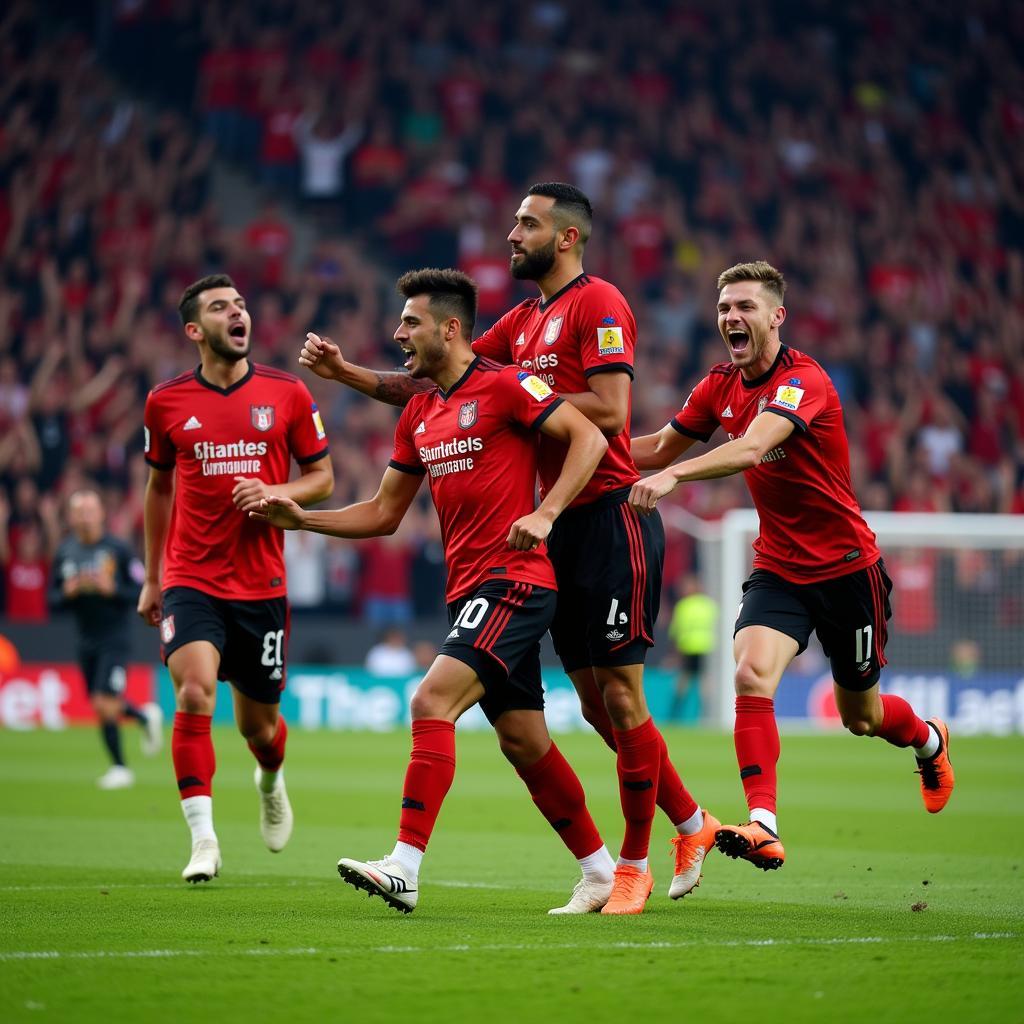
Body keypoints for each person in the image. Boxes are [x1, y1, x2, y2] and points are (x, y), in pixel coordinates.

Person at [299, 184, 717, 914]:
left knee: (618, 697)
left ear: (566, 238)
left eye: (526, 223)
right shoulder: (517, 325)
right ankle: (685, 825)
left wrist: (524, 405)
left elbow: (611, 415)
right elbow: (445, 381)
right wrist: (345, 377)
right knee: (560, 721)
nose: (510, 233)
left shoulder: (597, 304)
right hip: (544, 533)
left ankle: (632, 864)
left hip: (602, 514)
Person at [255, 267, 613, 914]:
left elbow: (589, 435)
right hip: (468, 589)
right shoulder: (420, 410)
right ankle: (599, 871)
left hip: (517, 581)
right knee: (524, 741)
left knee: (430, 701)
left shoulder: (508, 384)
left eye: (410, 322)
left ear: (450, 328)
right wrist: (301, 517)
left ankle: (404, 866)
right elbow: (383, 513)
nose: (399, 333)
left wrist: (547, 512)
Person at [629, 260, 955, 871]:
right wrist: (581, 441)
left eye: (746, 306)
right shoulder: (716, 385)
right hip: (779, 565)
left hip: (847, 569)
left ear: (777, 316)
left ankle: (929, 741)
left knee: (861, 717)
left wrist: (671, 476)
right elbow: (656, 446)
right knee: (751, 674)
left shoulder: (804, 380)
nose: (732, 317)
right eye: (725, 307)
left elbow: (751, 446)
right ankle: (763, 824)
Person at [137, 274, 334, 883]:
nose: (237, 313)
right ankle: (204, 840)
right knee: (194, 693)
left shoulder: (289, 393)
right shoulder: (165, 402)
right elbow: (158, 486)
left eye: (241, 305)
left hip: (263, 585)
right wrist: (153, 576)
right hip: (192, 577)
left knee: (260, 728)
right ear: (195, 330)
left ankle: (270, 778)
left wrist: (275, 491)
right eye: (221, 308)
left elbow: (322, 477)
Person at [49, 488, 162, 789]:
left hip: (116, 636)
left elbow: (142, 591)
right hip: (86, 638)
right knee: (101, 703)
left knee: (102, 702)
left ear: (101, 514)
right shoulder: (65, 552)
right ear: (71, 517)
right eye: (79, 511)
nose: (85, 516)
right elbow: (52, 600)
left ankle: (120, 768)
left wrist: (113, 590)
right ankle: (142, 717)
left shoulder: (118, 550)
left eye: (90, 510)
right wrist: (67, 593)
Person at [666, 573, 717, 722]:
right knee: (704, 682)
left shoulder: (683, 605)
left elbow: (675, 631)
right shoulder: (709, 605)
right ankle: (706, 713)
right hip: (706, 648)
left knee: (684, 681)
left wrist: (674, 653)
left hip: (688, 648)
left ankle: (676, 714)